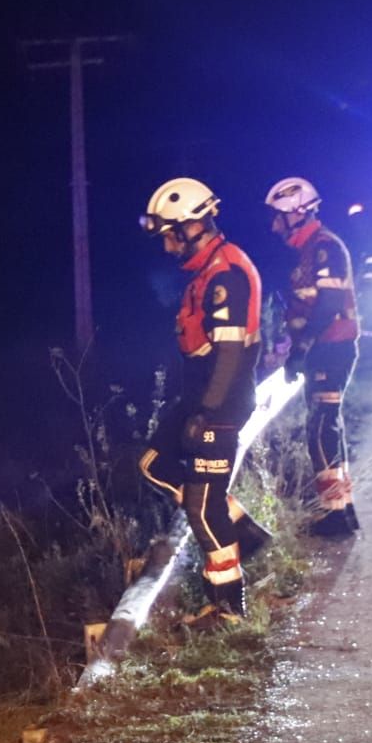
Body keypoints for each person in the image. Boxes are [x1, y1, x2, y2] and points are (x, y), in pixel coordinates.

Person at [138, 178, 268, 625]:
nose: (168, 246)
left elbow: (230, 354)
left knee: (202, 506)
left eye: (170, 235)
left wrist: (209, 411)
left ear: (191, 227)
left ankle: (229, 607)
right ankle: (244, 534)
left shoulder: (226, 276)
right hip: (200, 395)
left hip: (221, 401)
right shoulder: (208, 269)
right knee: (155, 464)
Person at [265, 176, 361, 537]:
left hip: (331, 348)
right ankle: (343, 509)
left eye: (279, 216)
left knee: (320, 428)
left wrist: (301, 349)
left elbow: (329, 305)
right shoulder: (310, 251)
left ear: (299, 212)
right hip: (324, 347)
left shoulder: (325, 248)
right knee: (326, 425)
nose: (275, 225)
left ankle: (335, 513)